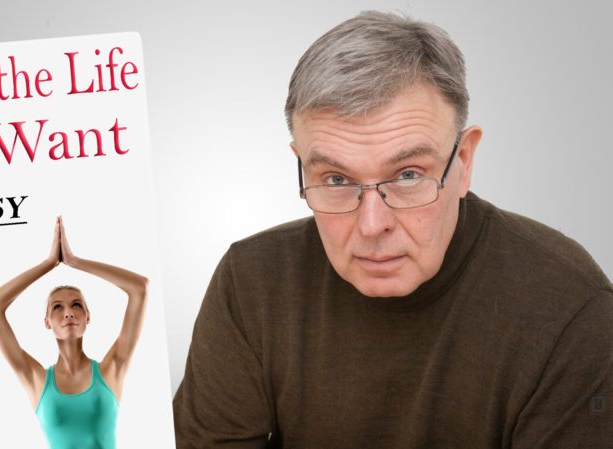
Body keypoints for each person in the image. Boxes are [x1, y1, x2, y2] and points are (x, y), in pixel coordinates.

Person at [173, 10, 613, 449]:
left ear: (463, 162)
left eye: (407, 175)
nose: (371, 225)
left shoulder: (570, 309)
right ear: (301, 163)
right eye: (336, 180)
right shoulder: (250, 282)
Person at [0, 217, 148, 449]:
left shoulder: (112, 368)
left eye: (76, 305)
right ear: (47, 322)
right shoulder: (36, 379)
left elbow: (140, 288)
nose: (68, 313)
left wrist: (74, 261)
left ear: (88, 317)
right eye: (57, 307)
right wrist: (48, 263)